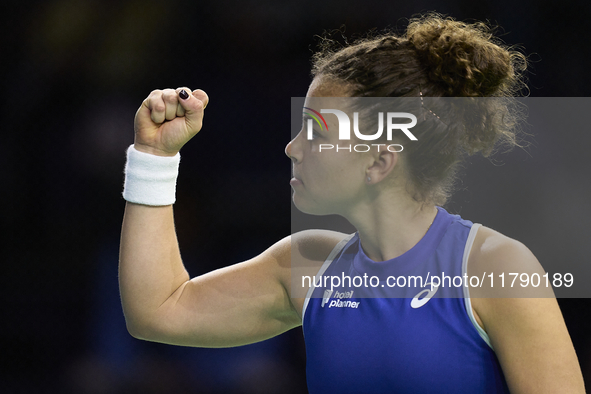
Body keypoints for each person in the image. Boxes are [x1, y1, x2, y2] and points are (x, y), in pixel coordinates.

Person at [119, 14, 585, 393]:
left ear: (379, 161)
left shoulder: (494, 268)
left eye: (315, 131)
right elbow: (157, 310)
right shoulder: (305, 265)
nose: (292, 147)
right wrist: (153, 158)